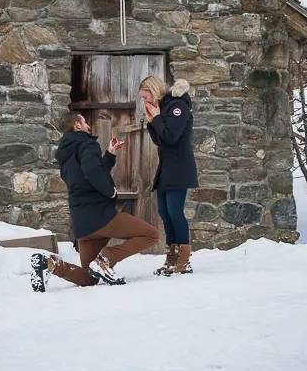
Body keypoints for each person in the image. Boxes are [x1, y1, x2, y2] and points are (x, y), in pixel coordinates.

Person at [29, 111, 160, 292]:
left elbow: (90, 172)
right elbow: (92, 172)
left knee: (89, 277)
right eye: (84, 122)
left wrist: (110, 154)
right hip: (100, 216)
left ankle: (51, 264)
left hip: (82, 223)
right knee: (151, 235)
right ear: (77, 125)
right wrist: (110, 191)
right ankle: (105, 259)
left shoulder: (66, 154)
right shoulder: (87, 144)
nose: (88, 126)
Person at [139, 77, 198, 276]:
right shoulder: (163, 108)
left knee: (175, 212)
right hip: (166, 167)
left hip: (179, 167)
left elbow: (171, 137)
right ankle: (171, 258)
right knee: (165, 213)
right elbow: (160, 140)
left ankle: (184, 259)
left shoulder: (178, 106)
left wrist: (156, 118)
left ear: (153, 89)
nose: (144, 99)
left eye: (145, 94)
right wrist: (151, 120)